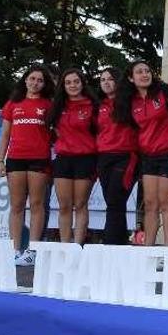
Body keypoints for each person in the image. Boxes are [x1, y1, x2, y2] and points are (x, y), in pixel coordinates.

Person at [115, 60, 168, 247]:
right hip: (148, 157)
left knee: (166, 202)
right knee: (150, 203)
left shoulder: (164, 94)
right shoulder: (130, 102)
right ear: (131, 78)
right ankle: (148, 248)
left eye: (147, 71)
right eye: (139, 72)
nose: (145, 74)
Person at [0, 64, 55, 265]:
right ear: (25, 80)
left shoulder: (49, 104)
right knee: (17, 205)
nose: (35, 83)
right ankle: (14, 250)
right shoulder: (13, 104)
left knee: (37, 204)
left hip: (39, 158)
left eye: (40, 80)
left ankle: (32, 250)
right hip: (15, 158)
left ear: (44, 84)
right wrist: (0, 161)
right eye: (32, 79)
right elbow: (5, 134)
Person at [48, 68, 98, 244]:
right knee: (64, 206)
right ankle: (65, 244)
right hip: (63, 159)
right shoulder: (58, 105)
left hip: (85, 159)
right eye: (68, 82)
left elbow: (98, 132)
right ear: (63, 86)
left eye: (76, 81)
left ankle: (77, 246)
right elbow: (53, 129)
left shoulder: (92, 105)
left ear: (82, 83)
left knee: (80, 204)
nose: (72, 85)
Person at [96, 67, 138, 245]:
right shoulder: (99, 104)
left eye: (110, 79)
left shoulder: (130, 101)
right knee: (114, 203)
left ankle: (110, 243)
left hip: (125, 156)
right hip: (104, 157)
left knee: (115, 199)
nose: (106, 82)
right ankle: (120, 243)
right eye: (103, 79)